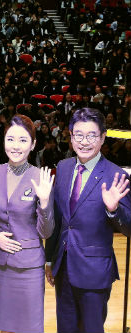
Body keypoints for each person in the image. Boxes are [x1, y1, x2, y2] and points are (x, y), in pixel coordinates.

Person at [45, 107, 131, 333]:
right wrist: (49, 260)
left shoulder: (116, 175)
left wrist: (114, 210)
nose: (84, 141)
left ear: (103, 137)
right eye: (79, 135)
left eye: (92, 135)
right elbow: (59, 221)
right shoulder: (63, 169)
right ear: (71, 137)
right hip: (63, 269)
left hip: (95, 273)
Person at [0, 114, 55, 333]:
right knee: (5, 327)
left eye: (23, 140)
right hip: (0, 264)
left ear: (33, 144)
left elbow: (46, 232)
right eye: (11, 139)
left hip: (30, 266)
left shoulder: (40, 176)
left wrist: (44, 203)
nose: (16, 146)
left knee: (29, 327)